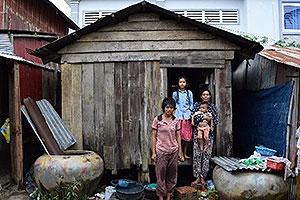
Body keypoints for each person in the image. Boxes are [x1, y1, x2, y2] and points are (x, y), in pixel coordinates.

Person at [151, 97, 184, 200]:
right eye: (167, 107)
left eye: (171, 108)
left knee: (172, 175)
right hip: (161, 151)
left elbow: (178, 136)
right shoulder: (158, 119)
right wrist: (153, 153)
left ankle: (169, 196)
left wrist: (180, 152)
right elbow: (153, 136)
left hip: (173, 151)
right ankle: (161, 197)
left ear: (174, 109)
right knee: (160, 176)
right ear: (163, 108)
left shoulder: (176, 120)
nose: (169, 109)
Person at [191, 89, 219, 187]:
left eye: (207, 94)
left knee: (206, 156)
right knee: (197, 155)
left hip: (208, 135)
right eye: (204, 94)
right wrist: (206, 118)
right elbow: (193, 117)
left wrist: (206, 119)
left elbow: (215, 120)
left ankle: (203, 177)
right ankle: (197, 177)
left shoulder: (213, 107)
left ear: (210, 96)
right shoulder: (196, 105)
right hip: (197, 134)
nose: (206, 96)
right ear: (201, 96)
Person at [172, 76, 194, 159]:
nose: (182, 83)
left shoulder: (189, 93)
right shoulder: (175, 93)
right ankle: (179, 153)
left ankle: (185, 153)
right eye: (180, 82)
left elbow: (191, 104)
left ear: (186, 83)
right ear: (178, 83)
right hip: (178, 117)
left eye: (183, 82)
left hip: (187, 117)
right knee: (178, 136)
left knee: (187, 137)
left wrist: (190, 112)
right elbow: (173, 105)